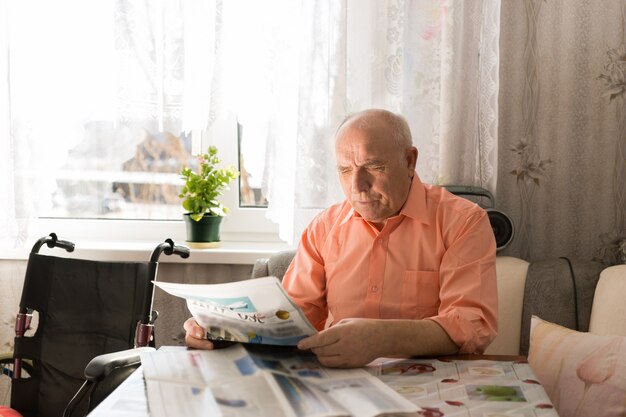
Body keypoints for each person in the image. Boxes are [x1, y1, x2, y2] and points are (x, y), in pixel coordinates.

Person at [185, 108, 498, 368]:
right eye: (345, 170)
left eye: (373, 167)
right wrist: (222, 331)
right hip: (339, 389)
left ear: (410, 161)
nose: (357, 186)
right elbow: (289, 322)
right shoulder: (324, 227)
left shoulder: (463, 222)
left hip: (433, 385)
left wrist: (381, 338)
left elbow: (471, 325)